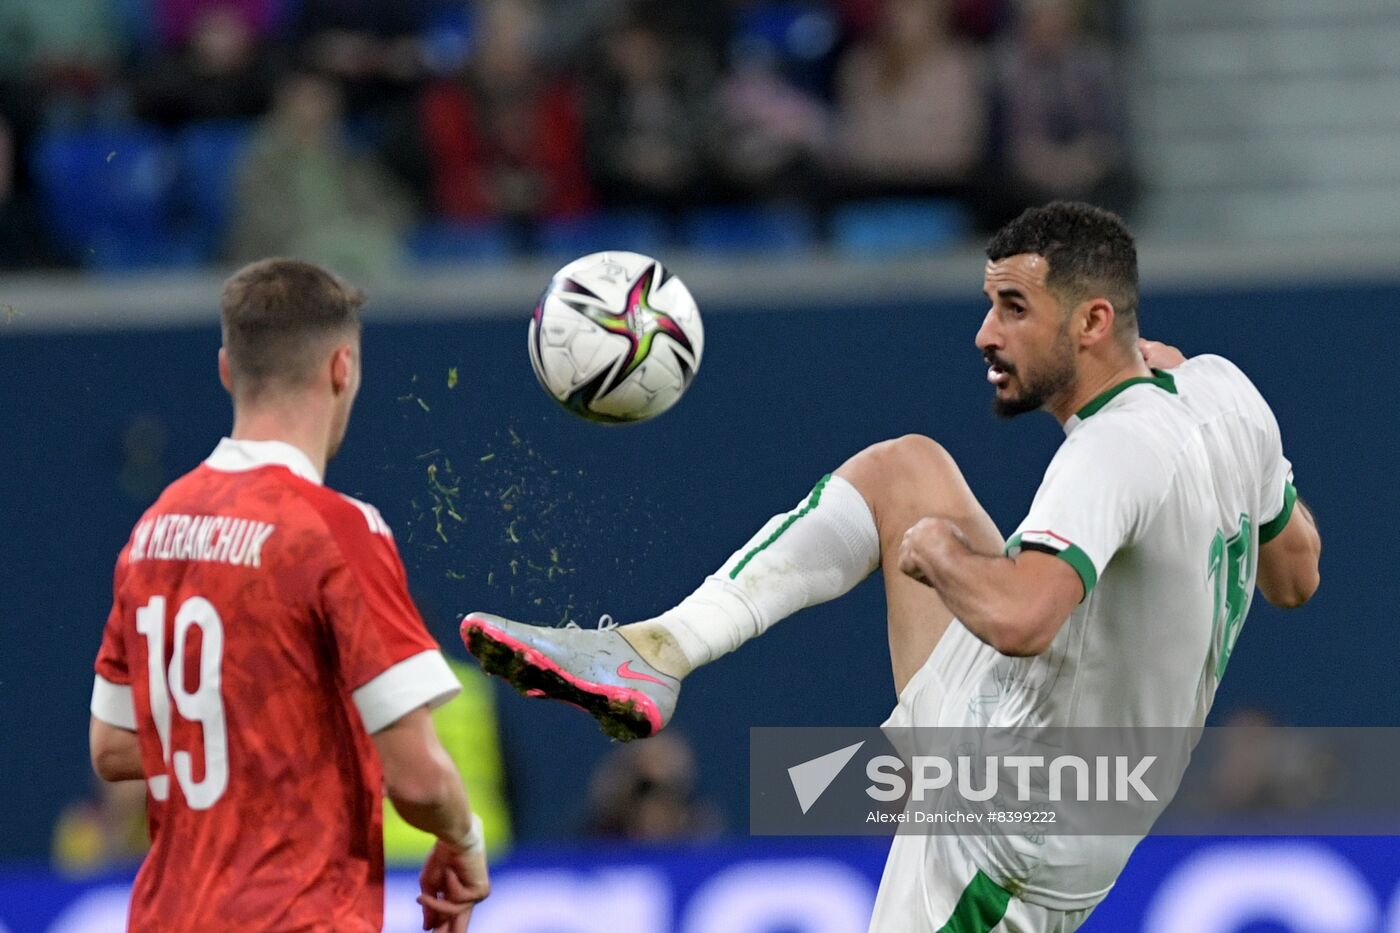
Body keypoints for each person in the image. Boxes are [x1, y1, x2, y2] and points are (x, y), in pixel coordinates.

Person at [460, 201, 1322, 930]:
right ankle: (657, 649)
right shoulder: (1224, 394)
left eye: (1014, 307)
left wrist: (942, 555)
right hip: (1048, 745)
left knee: (930, 525)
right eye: (991, 304)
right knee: (906, 472)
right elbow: (1296, 574)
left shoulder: (1109, 453)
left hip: (1010, 825)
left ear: (1093, 321)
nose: (986, 333)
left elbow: (1024, 617)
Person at [87, 259, 490, 933]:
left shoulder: (154, 528)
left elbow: (112, 743)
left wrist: (267, 729)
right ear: (342, 369)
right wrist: (465, 839)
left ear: (225, 368)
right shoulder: (336, 529)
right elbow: (417, 778)